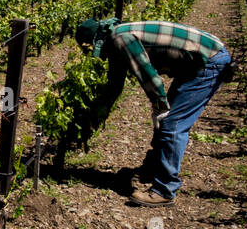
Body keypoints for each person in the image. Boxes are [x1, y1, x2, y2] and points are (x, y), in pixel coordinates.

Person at [75, 17, 234, 206]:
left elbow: (148, 75)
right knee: (168, 121)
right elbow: (114, 86)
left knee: (171, 125)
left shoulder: (120, 38)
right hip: (196, 60)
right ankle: (152, 170)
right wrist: (92, 117)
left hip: (209, 61)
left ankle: (165, 190)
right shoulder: (116, 38)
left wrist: (159, 105)